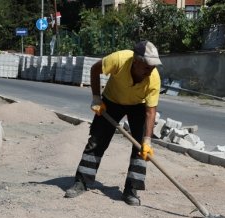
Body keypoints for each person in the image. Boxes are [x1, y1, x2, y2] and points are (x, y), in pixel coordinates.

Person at [64, 40, 162, 206]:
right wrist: (96, 97)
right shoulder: (119, 59)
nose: (151, 70)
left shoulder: (153, 78)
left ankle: (131, 190)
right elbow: (95, 70)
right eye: (147, 66)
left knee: (140, 149)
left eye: (153, 66)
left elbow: (150, 111)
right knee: (97, 140)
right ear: (136, 61)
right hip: (112, 101)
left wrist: (147, 140)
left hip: (138, 105)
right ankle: (82, 182)